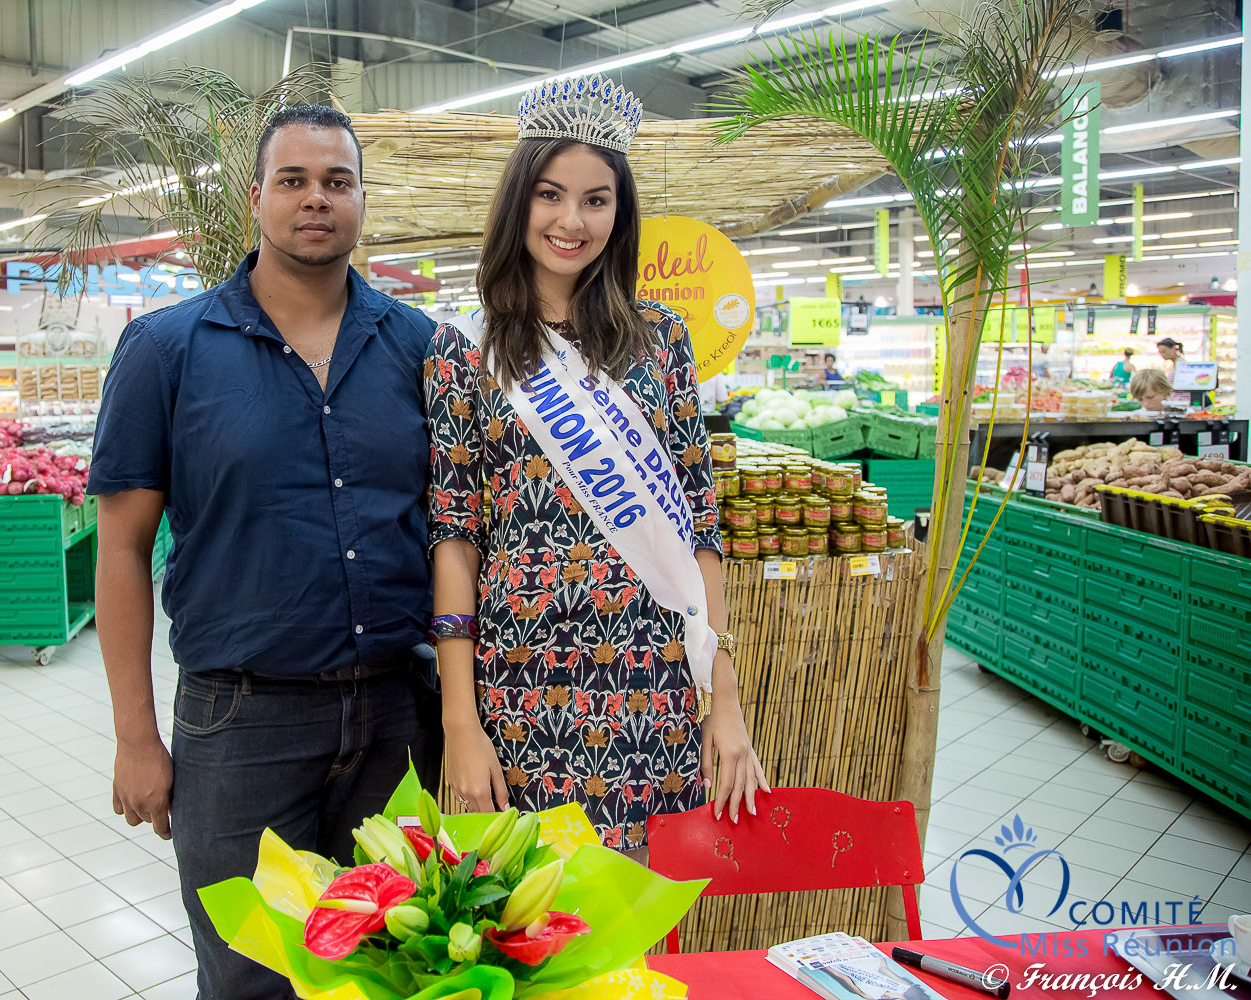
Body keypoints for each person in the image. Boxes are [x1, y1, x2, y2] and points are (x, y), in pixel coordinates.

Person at [88, 104, 440, 1000]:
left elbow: (461, 532)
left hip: (399, 718)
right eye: (294, 180)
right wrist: (134, 735)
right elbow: (122, 551)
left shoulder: (424, 350)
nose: (315, 199)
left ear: (362, 199)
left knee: (402, 967)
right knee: (253, 977)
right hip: (241, 726)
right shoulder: (166, 351)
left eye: (337, 181)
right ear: (256, 198)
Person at [425, 74, 769, 860]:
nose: (571, 221)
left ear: (622, 212)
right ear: (519, 202)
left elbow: (700, 528)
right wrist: (459, 721)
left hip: (651, 678)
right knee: (530, 930)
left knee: (639, 926)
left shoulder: (663, 339)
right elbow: (454, 537)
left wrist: (725, 702)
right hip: (519, 683)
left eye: (596, 200)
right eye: (550, 194)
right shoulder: (461, 350)